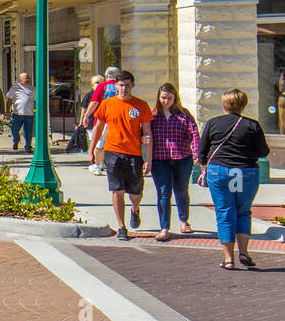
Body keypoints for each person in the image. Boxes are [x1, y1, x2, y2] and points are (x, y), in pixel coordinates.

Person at [199, 88, 271, 270]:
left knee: (224, 213)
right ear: (243, 105)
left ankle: (228, 258)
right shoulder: (252, 125)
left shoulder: (213, 123)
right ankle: (244, 252)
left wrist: (204, 167)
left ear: (224, 104)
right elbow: (264, 152)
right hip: (247, 172)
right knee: (243, 212)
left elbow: (202, 152)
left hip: (219, 171)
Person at [92, 70, 153, 241]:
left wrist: (148, 159)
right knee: (117, 189)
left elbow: (148, 134)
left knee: (135, 191)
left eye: (127, 85)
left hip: (134, 153)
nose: (123, 88)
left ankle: (135, 208)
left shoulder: (141, 105)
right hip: (112, 152)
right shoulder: (107, 104)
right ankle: (121, 226)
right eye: (120, 85)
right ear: (116, 86)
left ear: (132, 85)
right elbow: (98, 127)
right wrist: (92, 149)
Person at [149, 82, 200, 241]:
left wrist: (197, 153)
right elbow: (143, 133)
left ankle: (184, 220)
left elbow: (194, 133)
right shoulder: (153, 115)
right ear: (159, 97)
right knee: (164, 193)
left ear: (175, 98)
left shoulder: (184, 114)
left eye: (170, 98)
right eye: (163, 98)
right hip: (160, 159)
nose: (166, 101)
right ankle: (164, 227)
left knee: (181, 190)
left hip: (182, 158)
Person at [85, 66, 120, 175]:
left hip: (102, 119)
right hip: (118, 119)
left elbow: (94, 102)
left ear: (105, 76)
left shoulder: (101, 86)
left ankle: (97, 165)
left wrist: (86, 115)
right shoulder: (120, 87)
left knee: (99, 144)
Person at [6, 72, 35, 153]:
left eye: (28, 77)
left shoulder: (32, 88)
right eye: (25, 78)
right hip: (17, 113)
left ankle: (28, 146)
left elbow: (36, 100)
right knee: (14, 129)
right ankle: (16, 141)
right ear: (21, 79)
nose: (27, 79)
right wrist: (7, 111)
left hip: (29, 114)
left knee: (28, 132)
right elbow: (9, 100)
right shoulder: (15, 88)